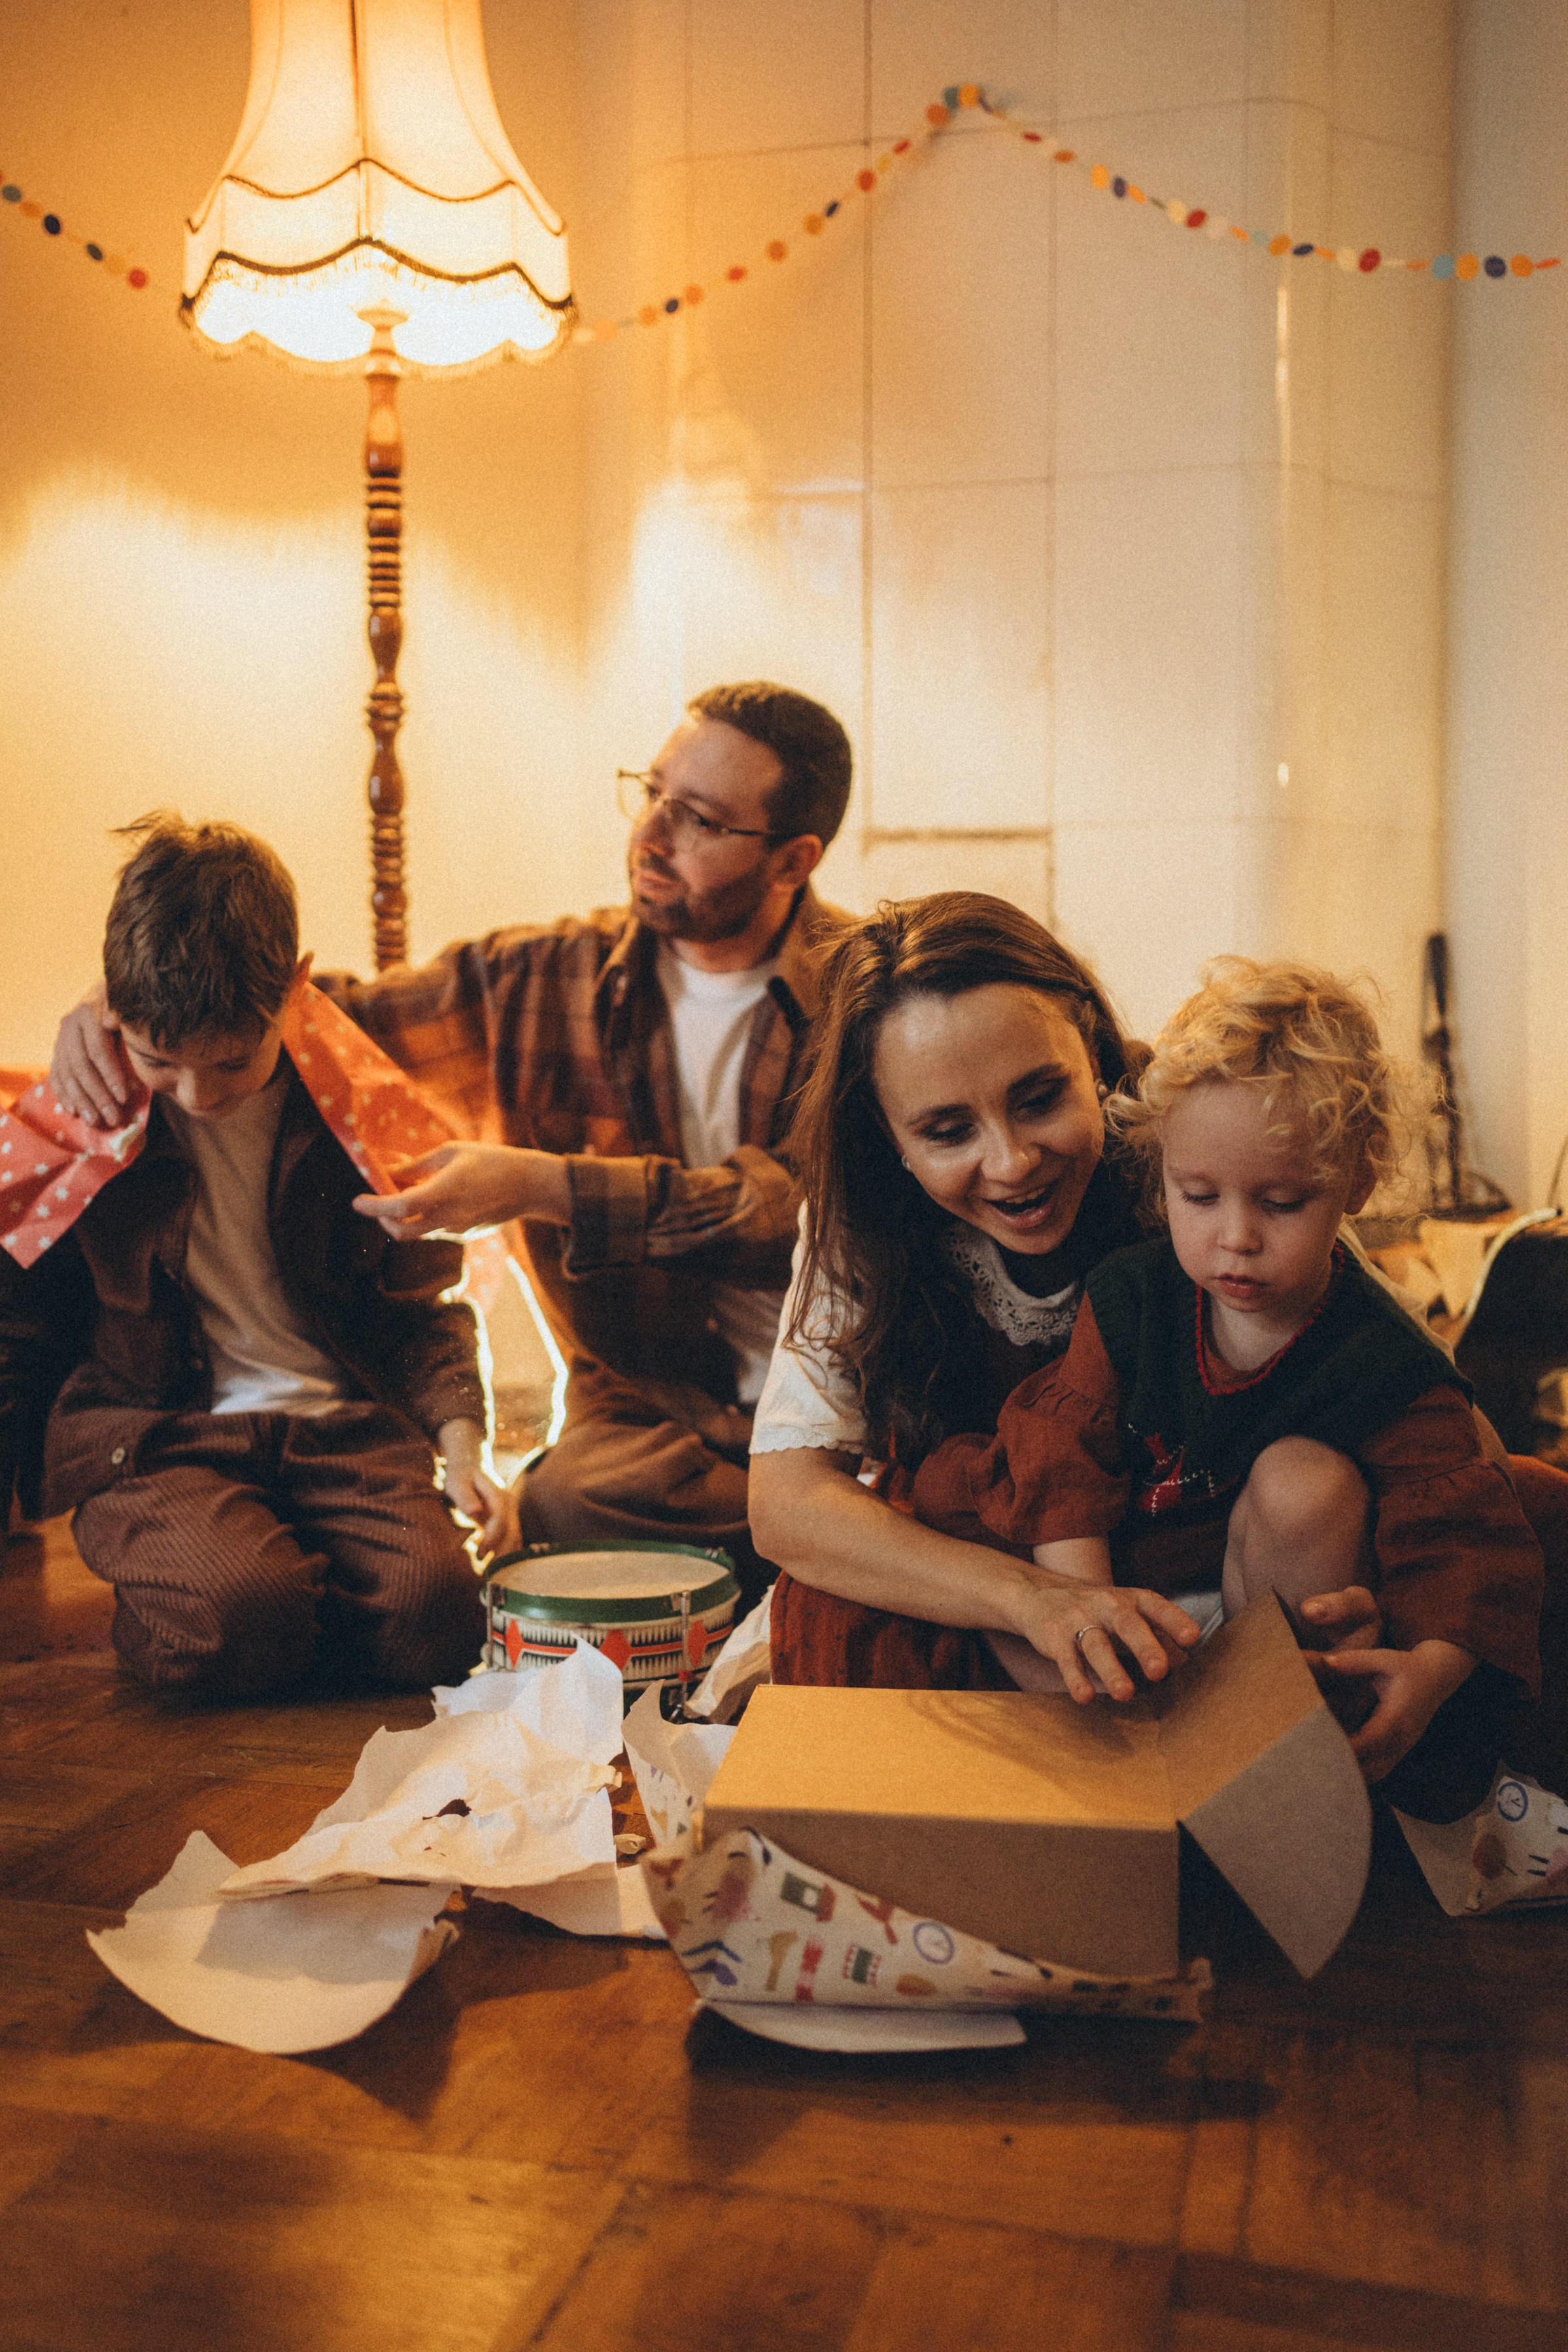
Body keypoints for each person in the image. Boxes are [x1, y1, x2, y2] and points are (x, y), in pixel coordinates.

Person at [48, 685, 854, 1607]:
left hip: (844, 1403)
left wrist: (545, 1186)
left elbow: (791, 1211)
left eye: (700, 819)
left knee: (856, 1495)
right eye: (651, 793)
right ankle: (833, 1553)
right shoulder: (541, 979)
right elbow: (288, 1014)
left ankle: (834, 1537)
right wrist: (115, 1004)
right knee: (559, 1505)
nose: (651, 835)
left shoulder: (868, 994)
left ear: (793, 860)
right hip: (651, 1410)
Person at [908, 958, 1544, 1803]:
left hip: (1262, 1603)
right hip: (1122, 1577)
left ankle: (1263, 1744)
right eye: (1198, 1196)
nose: (1235, 1237)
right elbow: (1060, 1466)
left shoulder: (1385, 1362)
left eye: (1280, 1202)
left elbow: (1461, 1538)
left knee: (1305, 1479)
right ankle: (1130, 1748)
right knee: (957, 1532)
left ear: (1355, 1182)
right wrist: (1090, 1622)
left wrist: (1428, 1671)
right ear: (1163, 1171)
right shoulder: (1133, 1295)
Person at [749, 892, 1388, 1692]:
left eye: (1040, 1099)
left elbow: (1418, 1401)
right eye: (947, 1132)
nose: (1012, 1162)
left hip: (1221, 1578)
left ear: (1091, 1050)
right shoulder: (859, 1221)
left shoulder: (1201, 1150)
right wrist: (1035, 1600)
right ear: (888, 1133)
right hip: (997, 1595)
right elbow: (787, 1504)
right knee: (832, 1610)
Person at [2, 816, 499, 1699]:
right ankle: (255, 1596)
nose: (199, 1094)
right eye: (159, 1060)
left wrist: (462, 1447)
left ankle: (280, 1592)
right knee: (236, 1616)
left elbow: (418, 1307)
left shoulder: (353, 1105)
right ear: (113, 1008)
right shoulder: (83, 1118)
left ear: (295, 989)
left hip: (342, 1426)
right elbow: (21, 1327)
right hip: (157, 1434)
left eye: (233, 1064)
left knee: (438, 1622)